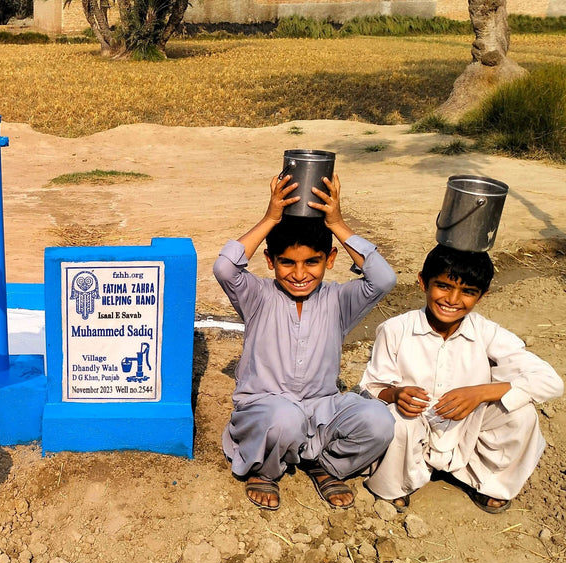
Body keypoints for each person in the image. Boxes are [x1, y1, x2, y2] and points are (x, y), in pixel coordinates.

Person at [213, 172, 397, 510]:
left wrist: (338, 223)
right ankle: (264, 470)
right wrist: (271, 218)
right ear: (270, 261)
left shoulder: (339, 300)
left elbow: (383, 278)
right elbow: (225, 268)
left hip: (320, 410)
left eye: (312, 262)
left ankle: (323, 465)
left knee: (379, 421)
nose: (300, 274)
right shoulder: (258, 296)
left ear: (329, 260)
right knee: (284, 418)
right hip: (265, 411)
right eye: (288, 263)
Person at [360, 244, 563, 512]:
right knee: (396, 419)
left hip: (464, 428)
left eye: (468, 292)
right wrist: (396, 395)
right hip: (416, 423)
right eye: (444, 286)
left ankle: (488, 482)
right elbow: (371, 387)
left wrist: (480, 393)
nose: (453, 299)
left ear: (482, 296)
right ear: (423, 282)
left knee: (521, 414)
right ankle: (395, 484)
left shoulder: (486, 332)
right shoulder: (395, 329)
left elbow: (551, 382)